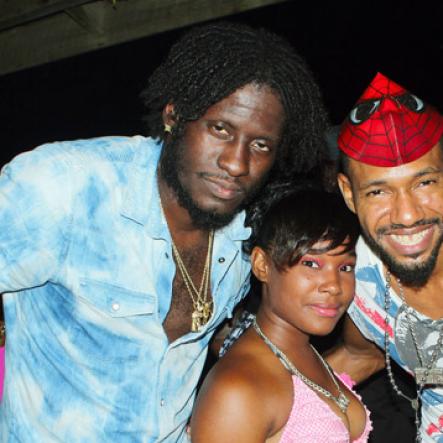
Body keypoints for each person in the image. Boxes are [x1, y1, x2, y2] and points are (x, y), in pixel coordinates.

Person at [0, 21, 329, 442]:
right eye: (220, 129)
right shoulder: (67, 187)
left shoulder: (246, 236)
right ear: (174, 116)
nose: (236, 163)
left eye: (260, 145)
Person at [191, 183, 372, 442]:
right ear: (262, 265)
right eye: (311, 264)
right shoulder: (238, 388)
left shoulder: (303, 353)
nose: (333, 285)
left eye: (345, 267)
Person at [327, 72, 443, 442]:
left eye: (424, 183)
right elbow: (362, 356)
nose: (407, 215)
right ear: (349, 194)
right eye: (379, 192)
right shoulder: (359, 281)